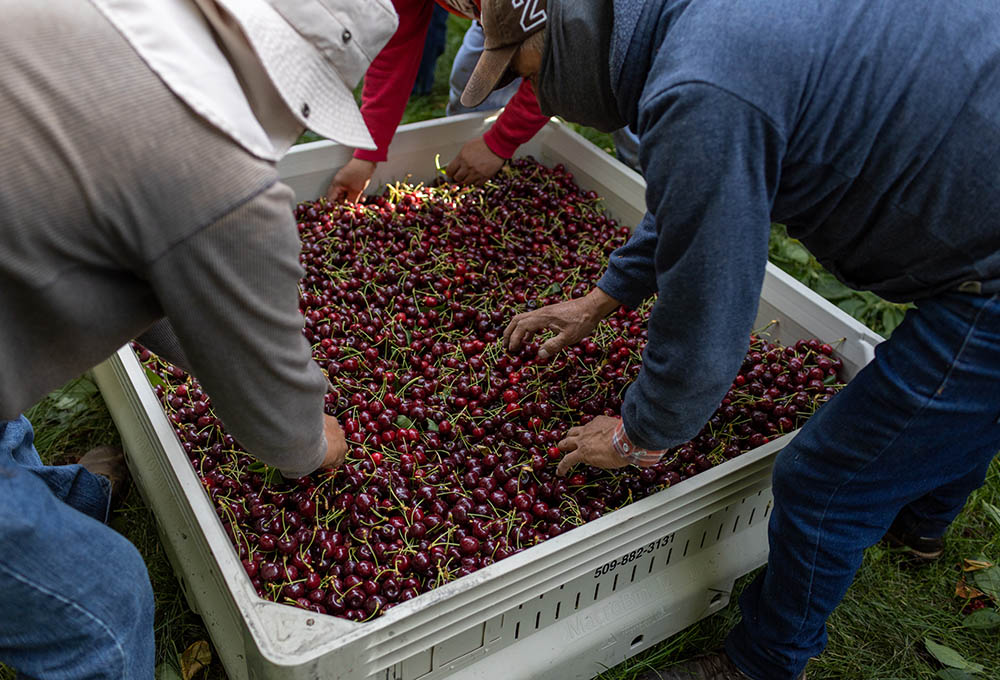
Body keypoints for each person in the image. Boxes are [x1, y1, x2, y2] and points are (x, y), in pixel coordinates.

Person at [467, 1, 1000, 678]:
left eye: (526, 72)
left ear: (566, 31)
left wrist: (642, 432)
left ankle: (762, 663)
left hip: (988, 266)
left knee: (824, 480)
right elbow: (708, 189)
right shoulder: (689, 32)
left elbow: (708, 303)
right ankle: (920, 523)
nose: (534, 94)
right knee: (946, 408)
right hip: (974, 187)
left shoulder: (701, 87)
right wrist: (605, 297)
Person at [0, 0, 397, 677]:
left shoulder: (86, 16)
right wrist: (310, 432)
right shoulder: (223, 180)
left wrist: (230, 357)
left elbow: (125, 265)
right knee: (107, 601)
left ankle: (50, 497)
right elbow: (287, 441)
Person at [325, 0, 551, 201]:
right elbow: (395, 50)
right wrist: (366, 156)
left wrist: (500, 142)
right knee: (468, 86)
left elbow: (559, 66)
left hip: (553, 29)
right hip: (492, 19)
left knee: (511, 83)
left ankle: (499, 152)